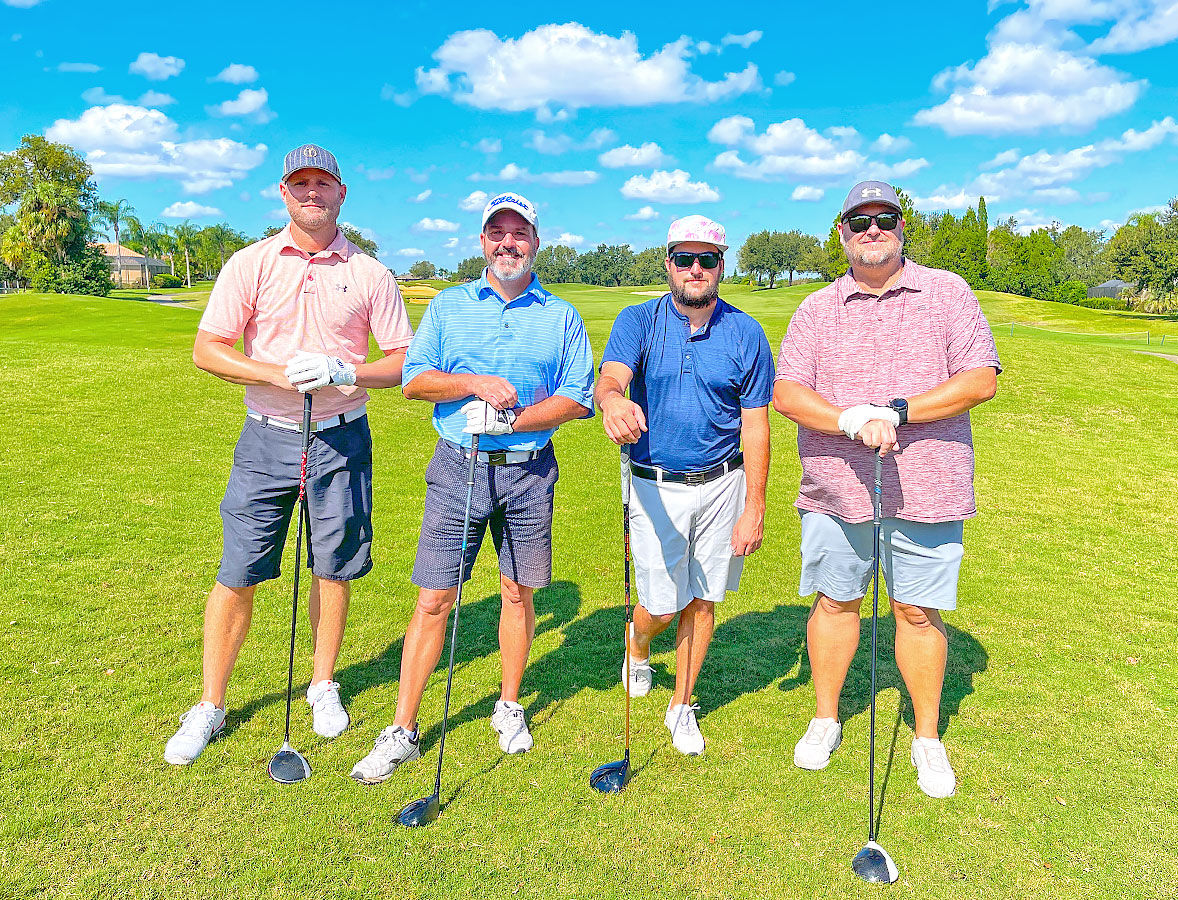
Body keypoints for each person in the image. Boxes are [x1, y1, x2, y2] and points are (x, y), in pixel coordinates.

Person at [165, 144, 413, 765]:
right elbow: (208, 349)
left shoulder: (370, 273)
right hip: (266, 437)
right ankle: (211, 704)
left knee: (335, 566)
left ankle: (322, 684)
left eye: (322, 184)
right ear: (283, 192)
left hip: (342, 437)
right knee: (239, 569)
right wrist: (276, 373)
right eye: (300, 184)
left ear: (341, 193)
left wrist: (345, 371)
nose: (312, 194)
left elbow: (404, 362)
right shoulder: (250, 263)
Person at [350, 191, 594, 784]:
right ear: (482, 241)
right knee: (434, 597)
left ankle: (508, 705)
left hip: (529, 470)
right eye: (497, 233)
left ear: (535, 242)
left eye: (519, 233)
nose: (508, 243)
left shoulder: (561, 315)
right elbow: (414, 381)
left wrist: (516, 421)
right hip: (458, 466)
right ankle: (403, 728)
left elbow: (577, 398)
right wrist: (475, 384)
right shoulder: (449, 306)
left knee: (516, 592)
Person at [772, 180, 1000, 797]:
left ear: (902, 227)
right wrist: (849, 419)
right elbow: (787, 392)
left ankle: (926, 738)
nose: (872, 230)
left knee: (916, 611)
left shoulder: (946, 292)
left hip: (928, 486)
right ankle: (826, 719)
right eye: (859, 221)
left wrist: (898, 411)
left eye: (884, 219)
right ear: (841, 232)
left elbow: (980, 379)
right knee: (835, 602)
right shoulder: (816, 308)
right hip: (836, 488)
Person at [594, 215, 774, 756]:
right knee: (662, 604)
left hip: (723, 483)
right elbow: (612, 376)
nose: (696, 269)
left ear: (721, 265)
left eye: (707, 259)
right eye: (684, 259)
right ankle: (637, 643)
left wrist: (755, 506)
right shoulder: (639, 320)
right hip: (654, 484)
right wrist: (613, 400)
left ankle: (682, 704)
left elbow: (756, 424)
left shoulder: (746, 332)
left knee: (703, 598)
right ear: (668, 263)